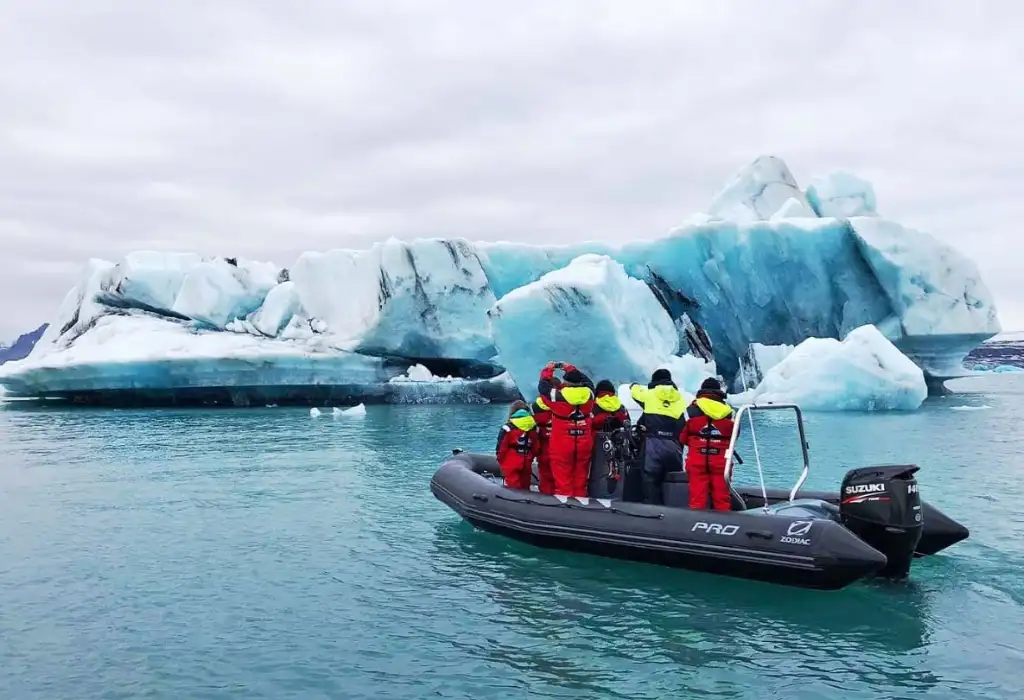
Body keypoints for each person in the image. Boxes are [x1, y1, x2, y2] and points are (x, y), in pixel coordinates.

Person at [538, 361, 595, 498]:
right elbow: (589, 383)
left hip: (562, 441)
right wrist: (570, 368)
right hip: (584, 439)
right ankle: (581, 500)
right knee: (581, 473)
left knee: (562, 475)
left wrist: (548, 369)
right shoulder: (589, 394)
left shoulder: (557, 396)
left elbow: (543, 387)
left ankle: (565, 503)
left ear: (565, 382)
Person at [629, 368, 686, 505]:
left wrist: (634, 385)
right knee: (673, 480)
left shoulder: (650, 395)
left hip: (654, 445)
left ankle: (652, 514)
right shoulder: (679, 398)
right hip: (674, 446)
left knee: (650, 480)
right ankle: (675, 514)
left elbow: (635, 392)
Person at [679, 377, 736, 511]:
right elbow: (734, 437)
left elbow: (682, 437)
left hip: (697, 460)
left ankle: (697, 527)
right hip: (721, 461)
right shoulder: (730, 413)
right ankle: (723, 526)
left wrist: (698, 443)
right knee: (722, 499)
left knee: (697, 499)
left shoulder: (691, 411)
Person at [495, 400, 541, 490]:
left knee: (513, 487)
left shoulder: (507, 428)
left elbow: (502, 447)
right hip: (526, 459)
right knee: (525, 484)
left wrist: (500, 459)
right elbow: (536, 447)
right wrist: (531, 457)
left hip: (511, 460)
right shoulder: (533, 427)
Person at [530, 395, 555, 494]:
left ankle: (546, 498)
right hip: (559, 452)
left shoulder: (536, 415)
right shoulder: (560, 410)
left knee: (545, 477)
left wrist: (535, 452)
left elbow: (534, 437)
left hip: (543, 452)